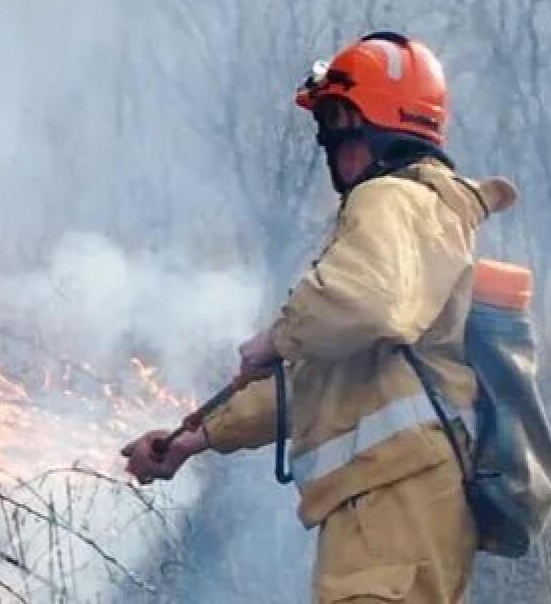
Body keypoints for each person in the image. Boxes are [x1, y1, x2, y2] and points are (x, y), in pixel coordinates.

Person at [120, 31, 517, 603]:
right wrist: (194, 438)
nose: (329, 144)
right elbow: (320, 385)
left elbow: (365, 305)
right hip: (399, 503)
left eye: (334, 123)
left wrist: (277, 337)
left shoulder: (387, 201)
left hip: (391, 505)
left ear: (371, 126)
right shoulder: (423, 218)